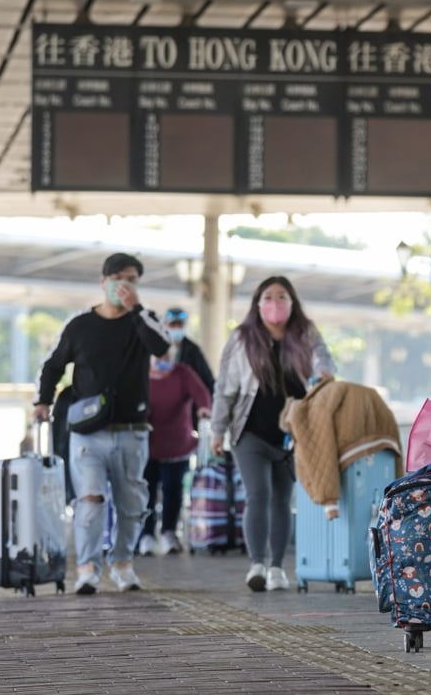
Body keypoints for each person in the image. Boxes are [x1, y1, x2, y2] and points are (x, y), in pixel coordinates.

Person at [33, 252, 170, 595]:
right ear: (104, 281)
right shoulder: (80, 326)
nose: (125, 286)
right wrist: (42, 401)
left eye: (133, 280)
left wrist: (137, 309)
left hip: (132, 432)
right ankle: (87, 568)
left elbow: (162, 347)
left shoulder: (144, 321)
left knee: (131, 505)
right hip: (87, 433)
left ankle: (123, 563)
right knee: (90, 500)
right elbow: (53, 366)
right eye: (119, 278)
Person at [210, 276, 335, 592]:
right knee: (258, 494)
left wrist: (322, 374)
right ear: (257, 303)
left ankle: (277, 568)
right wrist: (217, 431)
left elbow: (324, 360)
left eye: (282, 297)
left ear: (292, 302)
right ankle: (257, 564)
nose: (275, 303)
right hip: (249, 431)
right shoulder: (241, 339)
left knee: (282, 498)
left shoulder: (305, 334)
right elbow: (225, 388)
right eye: (268, 297)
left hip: (292, 433)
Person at [137, 353, 212, 556]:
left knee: (173, 489)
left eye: (167, 355)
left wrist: (204, 408)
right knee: (146, 491)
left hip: (177, 443)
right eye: (159, 356)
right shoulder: (139, 373)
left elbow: (201, 393)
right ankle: (146, 535)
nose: (164, 360)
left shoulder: (182, 373)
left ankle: (169, 531)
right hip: (146, 444)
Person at [164, 306, 215, 394]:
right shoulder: (158, 347)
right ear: (165, 325)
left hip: (187, 399)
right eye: (172, 325)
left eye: (179, 325)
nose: (176, 328)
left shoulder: (193, 350)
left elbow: (206, 377)